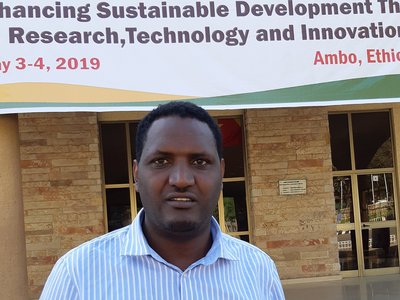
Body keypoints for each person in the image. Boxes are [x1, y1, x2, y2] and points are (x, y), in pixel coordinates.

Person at [40, 101, 285, 299]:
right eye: (161, 161)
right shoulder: (78, 273)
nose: (181, 179)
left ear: (221, 173)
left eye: (199, 162)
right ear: (137, 173)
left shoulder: (258, 270)